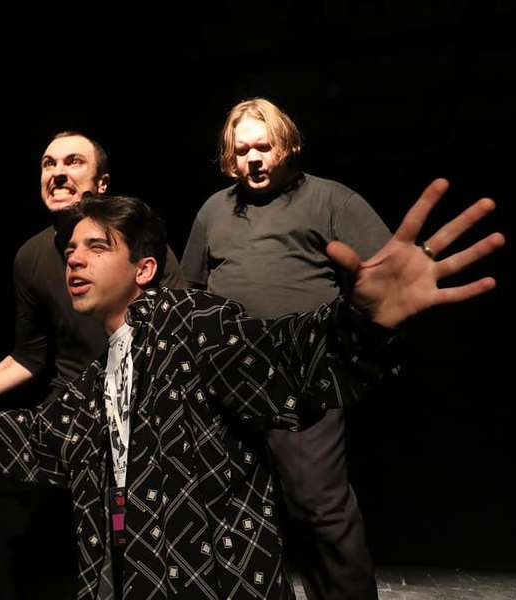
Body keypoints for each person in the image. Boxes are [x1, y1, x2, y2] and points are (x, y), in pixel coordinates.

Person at [0, 182, 504, 600]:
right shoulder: (97, 378)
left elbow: (281, 359)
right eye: (71, 250)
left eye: (95, 246)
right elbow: (38, 439)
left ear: (144, 268)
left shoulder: (194, 321)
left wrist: (361, 322)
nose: (73, 259)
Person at [0, 132, 183, 600]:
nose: (58, 173)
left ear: (102, 183)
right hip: (68, 413)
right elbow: (29, 356)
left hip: (139, 412)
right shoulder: (30, 257)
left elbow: (177, 344)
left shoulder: (140, 247)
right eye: (49, 164)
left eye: (73, 162)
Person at [181, 97, 391, 599]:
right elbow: (191, 290)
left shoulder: (331, 199)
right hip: (229, 375)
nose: (253, 159)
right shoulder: (214, 210)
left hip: (304, 369)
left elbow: (387, 274)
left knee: (316, 501)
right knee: (240, 505)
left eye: (264, 147)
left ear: (287, 145)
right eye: (242, 150)